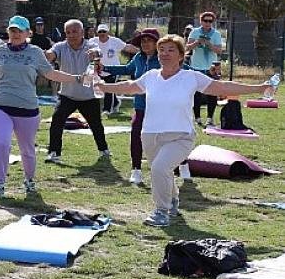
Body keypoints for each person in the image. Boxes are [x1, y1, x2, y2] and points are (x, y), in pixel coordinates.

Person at [96, 34, 270, 227]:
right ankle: (172, 200)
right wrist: (105, 87)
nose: (165, 54)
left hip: (181, 136)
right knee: (163, 171)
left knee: (159, 168)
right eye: (162, 50)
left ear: (181, 55)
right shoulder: (151, 76)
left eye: (171, 50)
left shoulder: (191, 77)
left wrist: (258, 88)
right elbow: (130, 87)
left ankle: (161, 212)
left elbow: (222, 86)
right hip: (150, 135)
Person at [0, 16, 90, 201]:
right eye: (12, 30)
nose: (15, 34)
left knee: (27, 150)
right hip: (0, 104)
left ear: (27, 33)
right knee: (2, 142)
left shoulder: (35, 52)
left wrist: (78, 78)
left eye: (19, 31)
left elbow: (50, 73)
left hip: (27, 108)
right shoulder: (1, 50)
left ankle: (29, 179)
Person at [101, 28, 161, 185]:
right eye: (143, 41)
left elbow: (184, 70)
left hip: (162, 107)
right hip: (141, 105)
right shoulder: (138, 58)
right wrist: (105, 68)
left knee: (168, 137)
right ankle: (136, 170)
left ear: (157, 43)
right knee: (136, 133)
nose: (145, 44)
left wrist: (209, 73)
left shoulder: (165, 58)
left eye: (149, 40)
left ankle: (182, 165)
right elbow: (127, 69)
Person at [44, 19, 110, 163]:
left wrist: (95, 55)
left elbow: (97, 52)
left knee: (96, 124)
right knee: (57, 121)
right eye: (68, 32)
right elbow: (51, 54)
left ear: (82, 32)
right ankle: (54, 152)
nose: (71, 35)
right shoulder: (60, 46)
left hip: (88, 96)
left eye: (74, 31)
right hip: (67, 95)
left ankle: (104, 149)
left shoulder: (90, 45)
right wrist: (47, 54)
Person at [88, 23, 139, 115]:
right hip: (98, 70)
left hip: (113, 70)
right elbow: (86, 51)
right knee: (98, 88)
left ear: (108, 32)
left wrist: (141, 52)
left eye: (104, 31)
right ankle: (115, 103)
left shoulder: (115, 41)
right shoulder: (92, 41)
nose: (102, 33)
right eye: (100, 32)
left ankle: (107, 110)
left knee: (108, 89)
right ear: (97, 33)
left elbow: (127, 47)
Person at [187, 12, 223, 126]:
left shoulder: (216, 34)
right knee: (196, 94)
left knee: (212, 93)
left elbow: (219, 50)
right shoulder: (195, 32)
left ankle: (210, 118)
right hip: (196, 67)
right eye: (205, 21)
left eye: (210, 21)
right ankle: (197, 118)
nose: (207, 23)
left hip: (211, 68)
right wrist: (198, 42)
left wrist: (209, 44)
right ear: (201, 21)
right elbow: (188, 47)